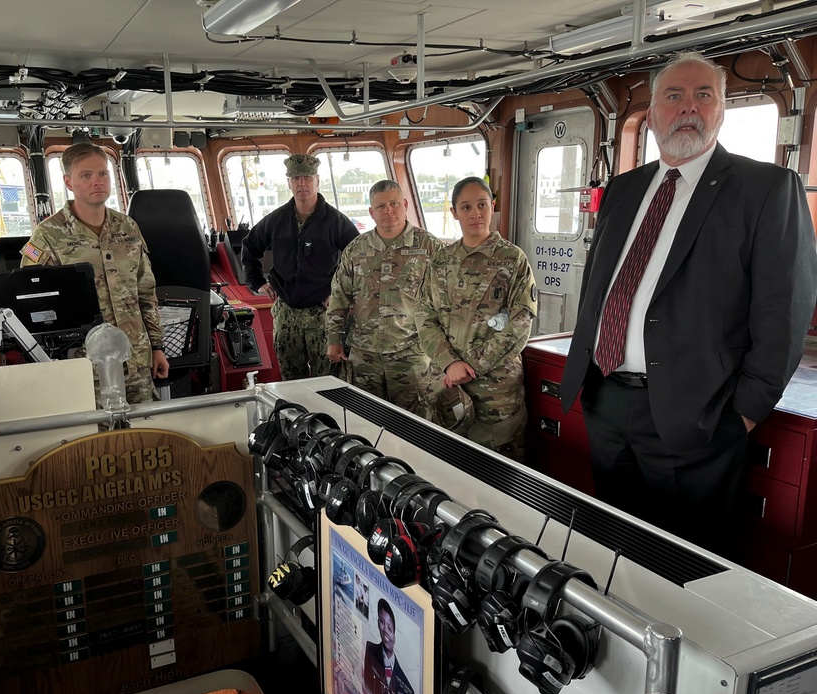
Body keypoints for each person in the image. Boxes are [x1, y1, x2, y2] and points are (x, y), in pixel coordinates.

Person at [559, 52, 817, 556]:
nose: (688, 108)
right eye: (673, 96)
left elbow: (784, 311)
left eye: (704, 96)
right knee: (617, 551)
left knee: (686, 565)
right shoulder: (624, 188)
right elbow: (599, 285)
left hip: (698, 415)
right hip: (606, 399)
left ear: (722, 110)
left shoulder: (764, 189)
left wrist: (743, 412)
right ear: (652, 113)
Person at [21, 142, 169, 404]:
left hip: (135, 356)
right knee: (96, 440)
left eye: (102, 174)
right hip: (84, 364)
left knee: (145, 433)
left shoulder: (128, 227)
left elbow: (145, 291)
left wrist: (157, 347)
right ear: (69, 182)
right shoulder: (48, 235)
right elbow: (33, 301)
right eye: (86, 175)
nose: (97, 182)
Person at [415, 177, 537, 459]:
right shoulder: (441, 261)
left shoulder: (512, 259)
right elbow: (424, 316)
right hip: (447, 387)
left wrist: (470, 365)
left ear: (492, 207)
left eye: (482, 205)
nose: (475, 213)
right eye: (466, 207)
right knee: (449, 466)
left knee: (502, 472)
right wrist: (449, 363)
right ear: (454, 212)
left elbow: (521, 322)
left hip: (497, 392)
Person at [326, 180, 444, 417]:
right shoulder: (356, 249)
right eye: (380, 206)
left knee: (415, 425)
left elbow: (446, 302)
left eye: (394, 204)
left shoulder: (430, 247)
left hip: (412, 353)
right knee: (365, 420)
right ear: (371, 212)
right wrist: (333, 338)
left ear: (405, 205)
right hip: (365, 355)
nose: (388, 211)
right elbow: (339, 295)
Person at [241, 154, 359, 380]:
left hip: (323, 314)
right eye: (295, 178)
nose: (301, 183)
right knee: (291, 379)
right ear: (289, 183)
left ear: (317, 180)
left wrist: (340, 294)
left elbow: (359, 258)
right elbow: (250, 246)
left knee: (327, 380)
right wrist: (257, 282)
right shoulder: (276, 220)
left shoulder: (335, 221)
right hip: (286, 313)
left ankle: (326, 416)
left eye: (306, 177)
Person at [362, 599, 417, 694]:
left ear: (395, 631)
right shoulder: (370, 651)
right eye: (381, 622)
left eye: (389, 626)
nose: (385, 629)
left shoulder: (408, 690)